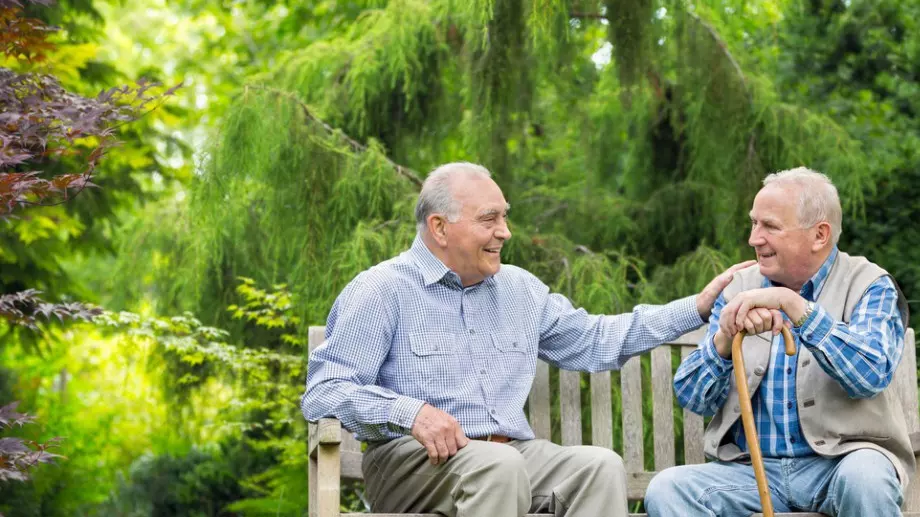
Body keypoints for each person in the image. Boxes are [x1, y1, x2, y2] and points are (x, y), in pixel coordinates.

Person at [302, 161, 751, 517]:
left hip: (509, 457)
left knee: (599, 468)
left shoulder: (519, 290)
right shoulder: (381, 290)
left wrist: (695, 308)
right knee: (499, 468)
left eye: (505, 217)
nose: (505, 231)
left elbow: (597, 339)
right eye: (489, 219)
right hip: (412, 463)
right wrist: (411, 413)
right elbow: (324, 392)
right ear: (439, 228)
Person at [645, 167, 913, 517]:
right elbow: (693, 397)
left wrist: (797, 309)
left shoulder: (870, 284)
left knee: (867, 480)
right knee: (668, 490)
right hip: (752, 472)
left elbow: (871, 373)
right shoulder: (740, 288)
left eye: (769, 226)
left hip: (841, 465)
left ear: (819, 235)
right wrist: (724, 340)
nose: (754, 238)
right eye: (754, 223)